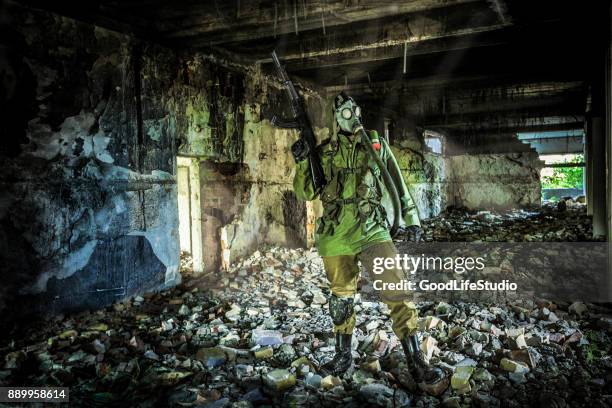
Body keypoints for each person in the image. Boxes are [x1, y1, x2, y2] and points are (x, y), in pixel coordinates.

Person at [292, 92, 446, 387]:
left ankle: (416, 360)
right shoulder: (323, 153)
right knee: (341, 297)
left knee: (397, 289)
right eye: (345, 112)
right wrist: (302, 161)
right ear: (336, 119)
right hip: (336, 233)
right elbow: (306, 192)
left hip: (372, 229)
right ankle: (342, 356)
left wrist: (412, 220)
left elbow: (397, 184)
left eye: (355, 110)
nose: (353, 115)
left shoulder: (376, 145)